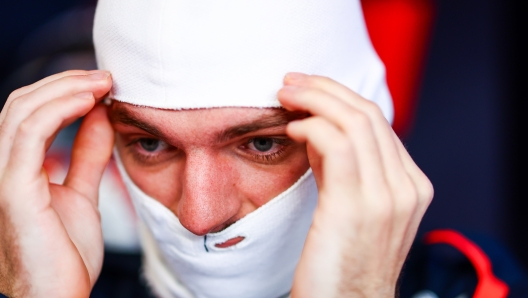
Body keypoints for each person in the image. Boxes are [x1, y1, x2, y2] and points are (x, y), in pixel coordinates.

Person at [0, 0, 433, 297]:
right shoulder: (58, 278)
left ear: (365, 131)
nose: (199, 217)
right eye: (150, 143)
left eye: (262, 144)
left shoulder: (478, 283)